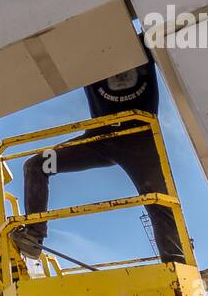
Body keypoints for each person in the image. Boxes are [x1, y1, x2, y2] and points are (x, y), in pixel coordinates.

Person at [16, 34, 185, 264]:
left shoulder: (142, 45)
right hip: (99, 140)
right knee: (37, 165)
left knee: (160, 200)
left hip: (140, 140)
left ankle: (176, 262)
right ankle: (33, 237)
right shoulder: (87, 60)